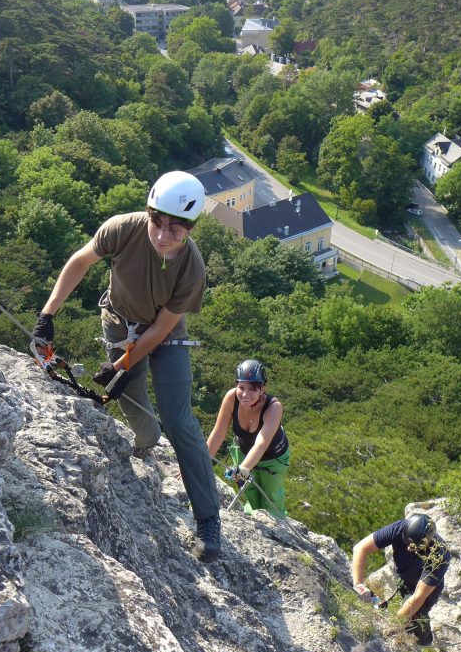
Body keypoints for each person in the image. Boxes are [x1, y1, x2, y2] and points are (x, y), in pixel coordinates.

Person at [32, 171, 222, 563]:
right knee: (142, 421)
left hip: (163, 338)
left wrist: (121, 364)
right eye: (157, 221)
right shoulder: (123, 229)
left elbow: (159, 330)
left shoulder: (192, 269)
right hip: (118, 324)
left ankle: (208, 519)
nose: (161, 235)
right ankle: (144, 449)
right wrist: (47, 313)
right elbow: (80, 261)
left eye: (175, 227)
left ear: (190, 227)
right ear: (148, 212)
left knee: (179, 420)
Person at [206, 359, 290, 517]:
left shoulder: (273, 407)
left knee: (271, 497)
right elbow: (218, 434)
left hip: (273, 458)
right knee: (250, 492)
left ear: (262, 389)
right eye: (241, 387)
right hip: (243, 451)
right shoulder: (231, 398)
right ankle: (253, 518)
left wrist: (243, 469)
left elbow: (262, 443)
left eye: (252, 389)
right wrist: (197, 463)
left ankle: (276, 527)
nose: (245, 394)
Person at [351, 513, 450, 645]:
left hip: (427, 589)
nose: (409, 548)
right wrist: (358, 584)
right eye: (407, 543)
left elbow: (419, 597)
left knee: (417, 616)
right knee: (395, 604)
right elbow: (360, 548)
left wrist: (393, 626)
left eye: (414, 546)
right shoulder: (399, 528)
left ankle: (424, 643)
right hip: (404, 576)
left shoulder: (439, 554)